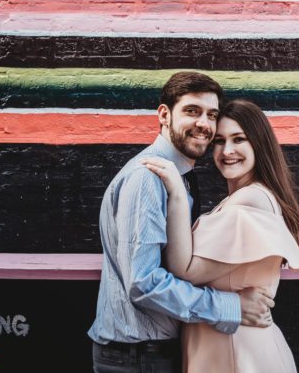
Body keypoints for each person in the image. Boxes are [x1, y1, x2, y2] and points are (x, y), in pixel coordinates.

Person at [89, 72, 275, 373]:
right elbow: (143, 283)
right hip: (137, 358)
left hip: (151, 355)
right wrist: (232, 306)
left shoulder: (177, 178)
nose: (204, 123)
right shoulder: (147, 178)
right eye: (192, 111)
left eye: (211, 115)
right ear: (164, 115)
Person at [142, 98, 299, 372]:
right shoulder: (246, 199)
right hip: (230, 350)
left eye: (239, 139)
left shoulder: (249, 201)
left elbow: (184, 270)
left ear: (259, 144)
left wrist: (176, 194)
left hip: (238, 355)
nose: (227, 150)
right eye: (219, 141)